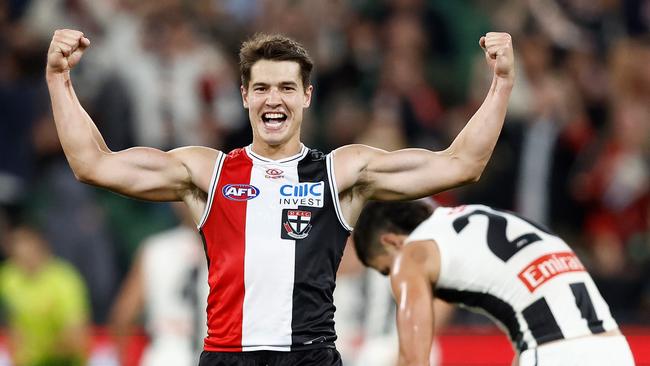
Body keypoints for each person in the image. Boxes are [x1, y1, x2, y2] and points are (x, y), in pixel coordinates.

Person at [45, 28, 514, 366]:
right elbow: (94, 164)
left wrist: (502, 84)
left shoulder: (341, 172)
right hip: (227, 355)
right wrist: (59, 80)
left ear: (307, 96)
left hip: (309, 355)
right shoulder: (207, 171)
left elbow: (460, 164)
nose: (275, 99)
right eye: (263, 87)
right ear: (245, 95)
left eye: (287, 87)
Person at [352, 200, 635, 366]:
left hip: (554, 352)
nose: (395, 278)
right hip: (617, 349)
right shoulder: (482, 216)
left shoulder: (412, 253)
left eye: (386, 269)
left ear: (391, 241)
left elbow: (414, 360)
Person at [109, 203, 209, 366]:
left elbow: (123, 315)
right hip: (210, 356)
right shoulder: (234, 251)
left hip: (164, 355)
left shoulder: (155, 248)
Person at [0, 225, 90, 366]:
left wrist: (40, 354)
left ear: (43, 250)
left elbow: (76, 337)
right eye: (18, 258)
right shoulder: (9, 277)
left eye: (30, 255)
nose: (24, 264)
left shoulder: (64, 280)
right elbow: (13, 320)